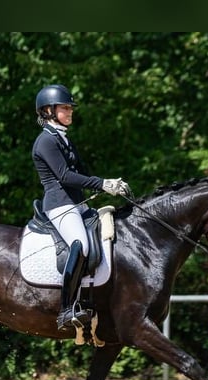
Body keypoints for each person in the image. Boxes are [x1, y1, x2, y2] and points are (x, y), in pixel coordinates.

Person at [31, 83, 131, 331]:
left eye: (70, 107)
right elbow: (64, 176)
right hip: (59, 206)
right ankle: (66, 309)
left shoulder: (63, 139)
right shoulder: (45, 141)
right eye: (65, 107)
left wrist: (110, 185)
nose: (70, 111)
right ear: (48, 111)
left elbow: (82, 172)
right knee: (81, 244)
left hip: (76, 204)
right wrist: (102, 184)